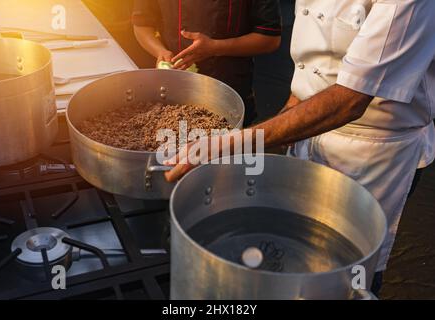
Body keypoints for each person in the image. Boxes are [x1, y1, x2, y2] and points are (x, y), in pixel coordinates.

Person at [164, 0, 435, 295]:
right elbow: (315, 64)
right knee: (298, 257)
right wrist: (289, 112)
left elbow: (351, 99)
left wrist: (235, 142)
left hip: (371, 152)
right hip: (312, 129)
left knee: (349, 274)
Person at [132, 0, 282, 126]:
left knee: (229, 156)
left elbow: (270, 39)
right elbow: (142, 23)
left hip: (229, 91)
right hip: (170, 92)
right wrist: (160, 51)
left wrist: (215, 48)